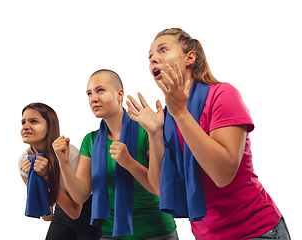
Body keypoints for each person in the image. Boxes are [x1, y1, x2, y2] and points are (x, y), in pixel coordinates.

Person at [127, 28, 290, 240]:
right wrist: (155, 133)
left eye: (163, 50)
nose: (153, 60)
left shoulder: (223, 94)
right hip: (207, 235)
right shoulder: (169, 117)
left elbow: (223, 174)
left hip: (255, 231)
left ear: (190, 58)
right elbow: (161, 189)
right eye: (150, 58)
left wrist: (181, 114)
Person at [52, 70, 178, 240]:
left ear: (120, 94)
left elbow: (162, 188)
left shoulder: (147, 131)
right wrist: (64, 163)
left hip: (157, 233)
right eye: (89, 93)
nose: (93, 98)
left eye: (100, 90)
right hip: (112, 234)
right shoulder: (90, 141)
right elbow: (80, 195)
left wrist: (128, 162)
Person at [18, 102, 102, 240]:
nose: (25, 126)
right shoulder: (24, 161)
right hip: (62, 209)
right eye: (23, 122)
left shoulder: (70, 155)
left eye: (33, 121)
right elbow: (47, 215)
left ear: (49, 126)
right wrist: (36, 179)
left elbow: (75, 212)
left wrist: (47, 177)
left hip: (89, 210)